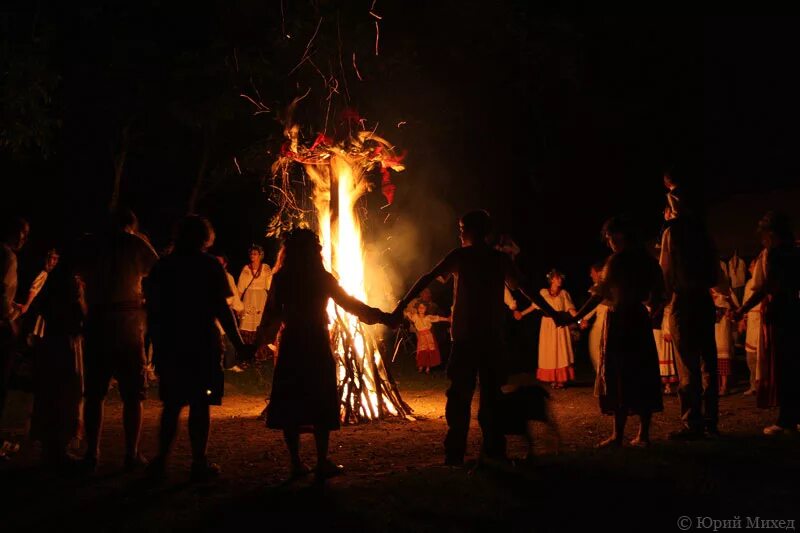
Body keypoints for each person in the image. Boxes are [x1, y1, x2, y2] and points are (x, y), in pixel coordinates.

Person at [392, 210, 568, 467]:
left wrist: (402, 305)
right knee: (491, 396)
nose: (459, 232)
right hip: (491, 338)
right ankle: (494, 449)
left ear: (472, 230)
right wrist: (553, 313)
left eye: (462, 227)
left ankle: (457, 453)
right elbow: (526, 288)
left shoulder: (461, 256)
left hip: (467, 339)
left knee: (460, 397)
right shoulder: (498, 259)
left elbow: (427, 278)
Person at [259, 229, 392, 481]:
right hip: (315, 341)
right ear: (314, 251)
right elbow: (351, 304)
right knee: (319, 396)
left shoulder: (282, 278)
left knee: (292, 398)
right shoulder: (320, 277)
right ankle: (321, 461)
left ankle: (296, 463)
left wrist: (257, 344)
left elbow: (272, 317)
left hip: (292, 343)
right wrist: (383, 317)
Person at [145, 216, 247, 481]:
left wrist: (157, 346)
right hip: (202, 343)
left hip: (173, 344)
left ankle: (161, 461)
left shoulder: (164, 266)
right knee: (200, 404)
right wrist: (239, 344)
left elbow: (154, 311)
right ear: (205, 237)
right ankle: (198, 463)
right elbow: (222, 310)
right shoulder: (209, 266)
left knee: (172, 404)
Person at [75, 208, 158, 471]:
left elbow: (74, 273)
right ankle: (131, 453)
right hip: (127, 323)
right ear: (131, 226)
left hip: (97, 321)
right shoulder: (135, 244)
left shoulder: (91, 244)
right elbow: (157, 274)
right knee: (133, 394)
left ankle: (92, 453)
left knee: (95, 393)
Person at [573, 216, 665, 447]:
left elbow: (599, 294)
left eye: (611, 235)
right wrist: (652, 310)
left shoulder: (617, 261)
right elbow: (660, 293)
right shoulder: (648, 261)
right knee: (642, 371)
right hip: (639, 318)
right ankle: (642, 434)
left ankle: (619, 435)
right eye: (607, 236)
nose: (608, 240)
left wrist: (575, 316)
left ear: (622, 235)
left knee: (619, 373)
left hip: (621, 319)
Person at [659, 175, 728, 439]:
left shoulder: (673, 233)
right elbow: (716, 273)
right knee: (707, 361)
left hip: (684, 300)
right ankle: (710, 421)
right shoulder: (704, 234)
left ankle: (693, 422)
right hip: (702, 299)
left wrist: (660, 302)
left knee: (688, 364)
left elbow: (665, 272)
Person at [732, 212, 800, 436]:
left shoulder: (775, 254)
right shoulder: (794, 252)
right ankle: (793, 416)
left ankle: (787, 419)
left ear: (770, 234)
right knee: (793, 365)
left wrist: (742, 308)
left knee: (783, 366)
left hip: (780, 313)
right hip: (794, 311)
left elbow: (766, 287)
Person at [29, 252, 85, 470]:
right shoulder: (71, 284)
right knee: (66, 392)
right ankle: (59, 449)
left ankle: (49, 449)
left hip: (51, 342)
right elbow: (80, 314)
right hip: (66, 343)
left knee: (50, 393)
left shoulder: (53, 282)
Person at [514, 269, 576, 388]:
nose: (560, 280)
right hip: (547, 324)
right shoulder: (543, 293)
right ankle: (553, 378)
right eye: (558, 278)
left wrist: (580, 318)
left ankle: (561, 379)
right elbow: (534, 305)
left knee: (561, 350)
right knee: (550, 350)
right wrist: (522, 313)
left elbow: (570, 309)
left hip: (560, 324)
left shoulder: (564, 293)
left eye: (561, 278)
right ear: (552, 279)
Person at [0, 217, 30, 451]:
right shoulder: (8, 257)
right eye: (23, 233)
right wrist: (11, 318)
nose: (25, 238)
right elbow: (2, 295)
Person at [237, 244, 272, 362]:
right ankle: (247, 354)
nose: (253, 256)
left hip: (261, 298)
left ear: (260, 255)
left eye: (255, 254)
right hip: (249, 298)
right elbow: (241, 288)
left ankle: (260, 354)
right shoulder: (246, 269)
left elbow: (269, 285)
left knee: (260, 324)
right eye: (251, 254)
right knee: (246, 324)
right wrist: (237, 304)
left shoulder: (266, 268)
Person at [214, 254, 245, 372]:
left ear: (225, 264)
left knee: (230, 337)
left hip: (224, 309)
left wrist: (239, 308)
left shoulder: (228, 277)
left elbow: (234, 295)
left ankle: (230, 364)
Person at [580, 261, 609, 374]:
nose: (591, 275)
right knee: (597, 350)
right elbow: (593, 308)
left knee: (600, 350)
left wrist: (582, 318)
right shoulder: (599, 288)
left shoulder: (602, 288)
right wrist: (583, 319)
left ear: (600, 272)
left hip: (605, 322)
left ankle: (604, 376)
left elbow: (593, 306)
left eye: (592, 272)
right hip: (600, 322)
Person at [405, 301, 449, 374]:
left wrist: (447, 319)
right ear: (417, 308)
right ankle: (421, 366)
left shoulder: (428, 317)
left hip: (429, 337)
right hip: (421, 337)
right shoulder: (415, 316)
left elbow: (437, 318)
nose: (421, 309)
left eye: (423, 308)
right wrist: (404, 310)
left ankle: (428, 368)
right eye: (420, 307)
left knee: (429, 351)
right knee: (422, 351)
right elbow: (408, 314)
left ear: (426, 309)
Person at [741, 258, 762, 396]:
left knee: (761, 356)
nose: (749, 267)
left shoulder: (762, 283)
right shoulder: (749, 283)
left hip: (761, 321)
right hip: (751, 322)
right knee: (750, 356)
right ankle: (753, 385)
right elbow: (745, 303)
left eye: (752, 265)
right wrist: (743, 319)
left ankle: (762, 386)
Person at [712, 287, 733, 396]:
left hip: (722, 330)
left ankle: (724, 386)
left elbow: (732, 307)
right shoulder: (707, 292)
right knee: (714, 360)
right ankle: (717, 385)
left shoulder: (725, 293)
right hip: (712, 331)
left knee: (723, 358)